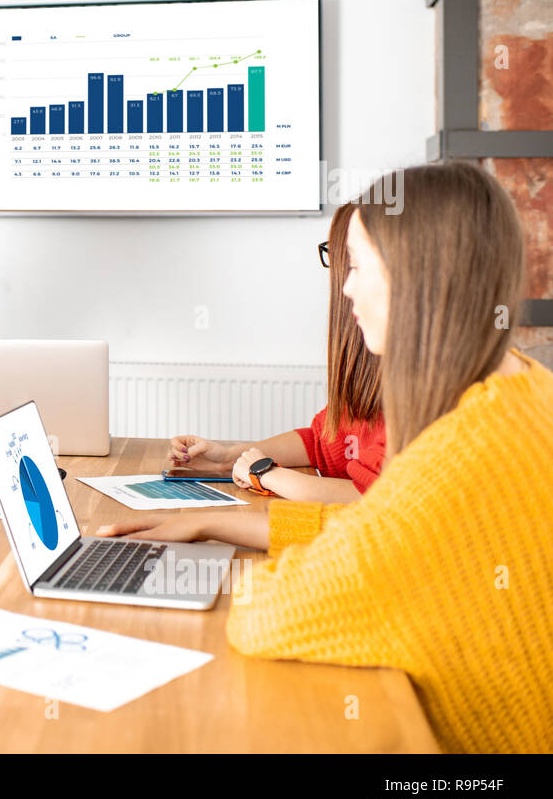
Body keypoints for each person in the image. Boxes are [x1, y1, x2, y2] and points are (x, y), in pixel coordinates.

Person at [107, 163, 553, 753]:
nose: (345, 289)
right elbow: (385, 530)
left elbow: (270, 615)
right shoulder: (528, 391)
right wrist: (217, 521)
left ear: (415, 278)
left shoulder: (458, 458)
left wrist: (235, 533)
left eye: (359, 265)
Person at [167, 205, 384, 504]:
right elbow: (319, 443)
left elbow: (373, 498)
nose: (344, 285)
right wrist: (230, 455)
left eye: (351, 262)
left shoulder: (415, 397)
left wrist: (266, 472)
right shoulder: (368, 376)